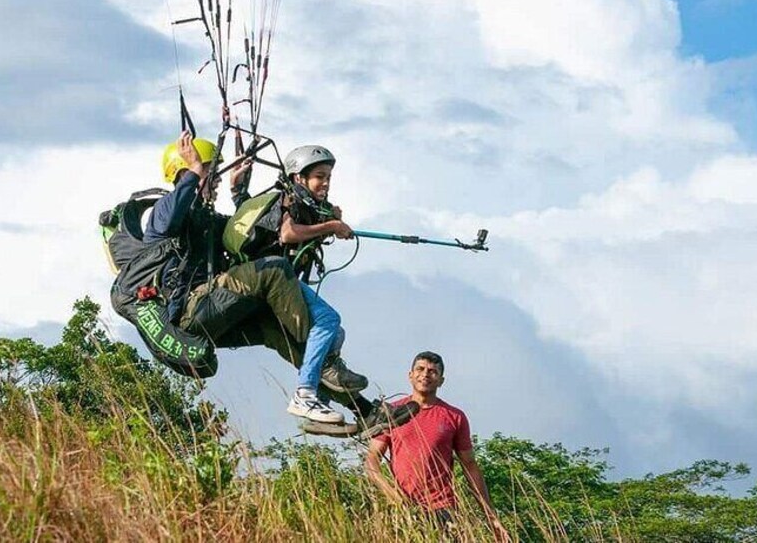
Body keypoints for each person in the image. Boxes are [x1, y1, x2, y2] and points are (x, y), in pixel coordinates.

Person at [144, 131, 414, 435]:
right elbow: (167, 222)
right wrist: (193, 173)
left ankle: (365, 411)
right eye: (211, 171)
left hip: (216, 312)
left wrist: (237, 193)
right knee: (274, 269)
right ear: (182, 171)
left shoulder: (206, 218)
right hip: (190, 311)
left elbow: (238, 234)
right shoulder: (165, 209)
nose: (215, 178)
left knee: (278, 332)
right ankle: (324, 358)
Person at [365, 351, 509, 541]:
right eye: (420, 369)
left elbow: (470, 466)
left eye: (433, 371)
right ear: (410, 375)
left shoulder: (454, 416)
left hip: (443, 510)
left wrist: (492, 518)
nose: (425, 375)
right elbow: (372, 459)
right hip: (401, 508)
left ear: (441, 380)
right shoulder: (392, 414)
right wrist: (392, 495)